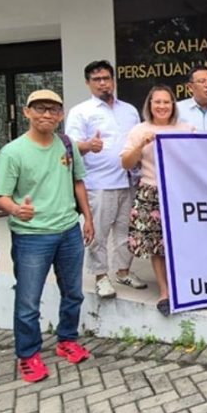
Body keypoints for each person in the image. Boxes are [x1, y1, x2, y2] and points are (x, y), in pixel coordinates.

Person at [0, 89, 95, 383]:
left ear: (61, 115)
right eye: (40, 108)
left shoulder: (67, 145)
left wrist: (87, 218)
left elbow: (78, 182)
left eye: (53, 109)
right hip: (31, 236)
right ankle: (28, 354)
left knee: (73, 292)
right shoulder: (12, 152)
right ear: (26, 112)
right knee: (28, 301)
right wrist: (16, 209)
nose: (47, 114)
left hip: (68, 231)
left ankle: (67, 340)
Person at [65, 60, 145, 299]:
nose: (102, 83)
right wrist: (88, 145)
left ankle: (123, 271)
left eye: (106, 78)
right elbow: (69, 146)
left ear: (113, 80)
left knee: (126, 231)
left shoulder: (129, 110)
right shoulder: (81, 111)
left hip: (128, 181)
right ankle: (101, 277)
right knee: (98, 234)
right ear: (88, 83)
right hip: (99, 183)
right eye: (96, 79)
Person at [121, 85, 194, 317]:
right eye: (157, 102)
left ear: (173, 105)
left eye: (166, 102)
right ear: (150, 105)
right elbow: (126, 163)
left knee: (183, 243)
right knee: (157, 245)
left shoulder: (186, 129)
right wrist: (141, 144)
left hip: (180, 192)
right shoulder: (139, 130)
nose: (162, 106)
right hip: (151, 192)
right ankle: (164, 291)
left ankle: (184, 287)